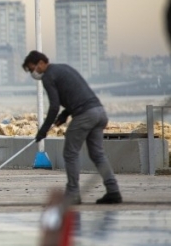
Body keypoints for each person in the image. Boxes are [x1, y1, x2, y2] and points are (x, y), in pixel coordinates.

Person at [22, 51, 122, 205]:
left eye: (32, 68)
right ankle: (113, 191)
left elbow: (54, 106)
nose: (33, 73)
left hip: (85, 115)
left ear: (41, 63)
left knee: (70, 153)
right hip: (99, 112)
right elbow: (76, 94)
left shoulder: (48, 76)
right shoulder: (64, 68)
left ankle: (73, 194)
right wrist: (65, 114)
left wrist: (43, 130)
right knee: (98, 154)